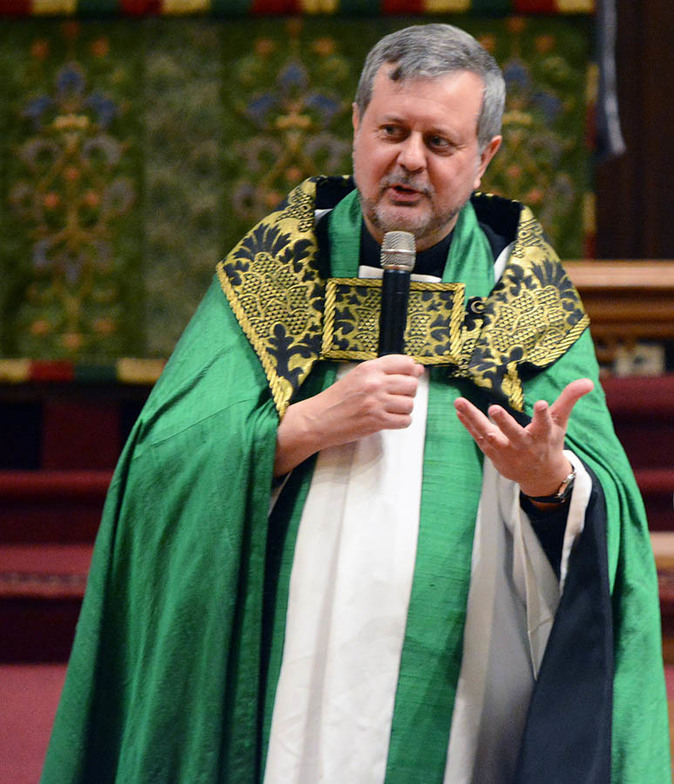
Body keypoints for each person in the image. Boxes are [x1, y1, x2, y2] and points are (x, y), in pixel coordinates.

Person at [41, 23, 670, 784]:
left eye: (440, 142)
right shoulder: (278, 270)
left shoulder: (523, 295)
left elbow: (605, 516)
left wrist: (549, 484)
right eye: (391, 131)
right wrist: (297, 430)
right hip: (283, 682)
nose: (409, 160)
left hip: (462, 693)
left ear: (485, 157)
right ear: (355, 126)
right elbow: (158, 472)